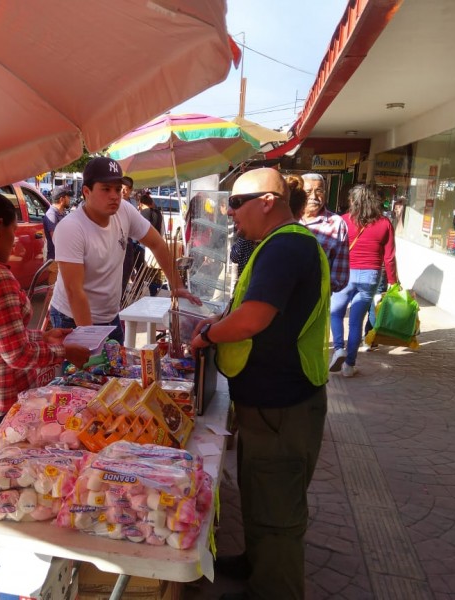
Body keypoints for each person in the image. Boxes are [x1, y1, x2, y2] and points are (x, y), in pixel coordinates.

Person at [189, 167, 329, 600]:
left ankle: (276, 589)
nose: (230, 214)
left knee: (278, 513)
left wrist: (208, 335)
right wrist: (217, 318)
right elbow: (248, 306)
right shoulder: (274, 244)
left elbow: (254, 319)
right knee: (259, 492)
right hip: (268, 407)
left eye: (236, 203)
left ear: (267, 201)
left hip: (283, 409)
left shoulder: (287, 245)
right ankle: (255, 564)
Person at [0, 191, 90, 456]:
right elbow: (16, 354)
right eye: (13, 232)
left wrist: (43, 338)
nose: (14, 243)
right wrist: (66, 351)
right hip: (1, 408)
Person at [50, 157, 199, 344]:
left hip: (110, 316)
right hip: (71, 317)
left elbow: (157, 243)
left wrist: (176, 285)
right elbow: (74, 291)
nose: (114, 195)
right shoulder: (71, 228)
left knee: (117, 371)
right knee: (85, 372)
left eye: (117, 189)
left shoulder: (124, 211)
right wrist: (90, 343)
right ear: (86, 191)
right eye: (106, 189)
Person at [330, 184, 399, 377]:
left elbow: (333, 247)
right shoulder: (385, 223)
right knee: (356, 323)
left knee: (335, 313)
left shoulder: (343, 220)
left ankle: (338, 349)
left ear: (353, 201)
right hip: (371, 276)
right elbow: (390, 256)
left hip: (345, 273)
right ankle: (349, 366)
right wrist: (393, 281)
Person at [300, 173, 349, 292]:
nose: (314, 197)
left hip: (316, 295)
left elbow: (339, 275)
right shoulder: (287, 218)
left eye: (319, 191)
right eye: (308, 191)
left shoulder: (336, 223)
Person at [137, 189, 164, 296]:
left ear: (141, 204)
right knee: (154, 272)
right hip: (155, 246)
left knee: (142, 271)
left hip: (143, 246)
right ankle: (154, 291)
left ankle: (138, 291)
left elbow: (137, 231)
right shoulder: (159, 214)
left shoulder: (142, 213)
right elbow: (162, 230)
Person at [43, 185, 73, 261]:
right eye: (68, 197)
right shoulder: (52, 215)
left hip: (63, 258)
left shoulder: (61, 213)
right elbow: (56, 240)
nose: (70, 199)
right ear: (62, 199)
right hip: (55, 261)